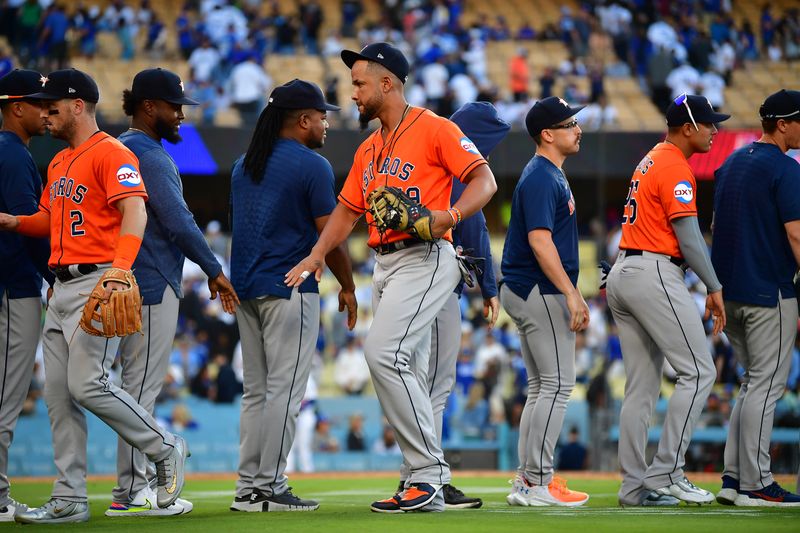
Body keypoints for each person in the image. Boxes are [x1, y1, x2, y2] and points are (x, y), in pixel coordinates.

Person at [286, 42, 497, 513]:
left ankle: (429, 475)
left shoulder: (435, 128)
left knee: (384, 354)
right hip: (385, 264)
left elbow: (485, 181)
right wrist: (318, 254)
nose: (352, 93)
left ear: (388, 84)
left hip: (426, 255)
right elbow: (346, 212)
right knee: (409, 372)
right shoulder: (369, 148)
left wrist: (451, 214)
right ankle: (415, 477)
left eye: (359, 83)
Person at [0, 68, 188, 524]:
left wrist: (121, 270)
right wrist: (14, 221)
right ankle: (70, 497)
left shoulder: (111, 152)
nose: (45, 114)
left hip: (98, 279)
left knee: (88, 384)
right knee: (60, 396)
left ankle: (164, 447)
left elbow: (135, 211)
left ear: (78, 105)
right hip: (61, 286)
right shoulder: (60, 161)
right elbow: (48, 217)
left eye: (52, 106)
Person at [106, 67, 240, 518]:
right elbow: (179, 221)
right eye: (174, 106)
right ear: (149, 107)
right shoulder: (149, 154)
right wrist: (214, 270)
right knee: (139, 391)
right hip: (150, 282)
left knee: (125, 389)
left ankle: (129, 487)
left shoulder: (113, 148)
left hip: (116, 280)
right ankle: (132, 490)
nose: (181, 115)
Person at [229, 79, 356, 513]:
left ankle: (248, 486)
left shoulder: (243, 164)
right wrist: (350, 285)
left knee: (257, 392)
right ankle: (268, 487)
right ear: (303, 120)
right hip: (290, 286)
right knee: (285, 391)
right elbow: (332, 236)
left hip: (247, 288)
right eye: (322, 116)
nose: (325, 124)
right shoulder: (311, 165)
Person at [606, 93, 729, 507]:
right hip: (654, 270)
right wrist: (714, 286)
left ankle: (634, 487)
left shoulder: (651, 157)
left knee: (641, 388)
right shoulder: (675, 165)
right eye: (710, 123)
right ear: (687, 127)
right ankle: (667, 474)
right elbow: (689, 237)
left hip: (626, 269)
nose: (716, 130)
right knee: (699, 372)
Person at [399, 101, 508, 510]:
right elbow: (475, 227)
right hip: (440, 285)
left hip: (407, 280)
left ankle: (414, 477)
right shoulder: (461, 167)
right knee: (435, 390)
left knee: (414, 386)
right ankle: (432, 480)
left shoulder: (428, 159)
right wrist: (490, 287)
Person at [711, 89, 800, 507]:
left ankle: (733, 479)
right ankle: (757, 481)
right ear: (783, 124)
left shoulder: (729, 163)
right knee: (766, 385)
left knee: (752, 384)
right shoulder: (786, 168)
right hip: (770, 289)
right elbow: (796, 233)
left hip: (729, 292)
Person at [501, 96, 590, 508]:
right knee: (557, 385)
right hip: (539, 289)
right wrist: (572, 293)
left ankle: (528, 479)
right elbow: (539, 240)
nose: (578, 129)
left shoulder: (547, 173)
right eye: (570, 123)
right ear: (548, 134)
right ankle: (538, 480)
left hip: (528, 289)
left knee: (542, 387)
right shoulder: (541, 176)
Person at [0, 69, 53, 522]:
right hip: (13, 288)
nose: (47, 110)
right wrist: (54, 275)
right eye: (39, 103)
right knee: (4, 397)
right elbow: (26, 229)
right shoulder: (14, 156)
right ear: (17, 107)